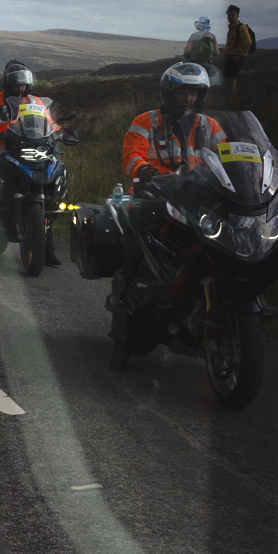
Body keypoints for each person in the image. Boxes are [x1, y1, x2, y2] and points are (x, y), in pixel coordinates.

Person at [111, 62, 227, 368]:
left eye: (194, 93)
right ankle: (122, 337)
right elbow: (130, 155)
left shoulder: (209, 126)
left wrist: (249, 170)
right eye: (183, 92)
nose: (188, 98)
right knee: (139, 255)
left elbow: (229, 155)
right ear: (170, 92)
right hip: (155, 198)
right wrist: (144, 170)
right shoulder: (146, 121)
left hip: (199, 201)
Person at [0, 60, 61, 265]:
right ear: (6, 84)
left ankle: (47, 249)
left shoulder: (35, 101)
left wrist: (58, 132)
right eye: (16, 84)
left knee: (44, 189)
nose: (20, 88)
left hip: (27, 151)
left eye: (23, 85)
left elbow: (48, 122)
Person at [223, 5, 253, 98]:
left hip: (235, 58)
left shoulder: (241, 27)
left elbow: (248, 42)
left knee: (232, 82)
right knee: (227, 81)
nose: (230, 17)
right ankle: (228, 99)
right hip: (229, 57)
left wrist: (242, 56)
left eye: (233, 14)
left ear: (237, 15)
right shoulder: (232, 27)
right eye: (229, 15)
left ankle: (232, 101)